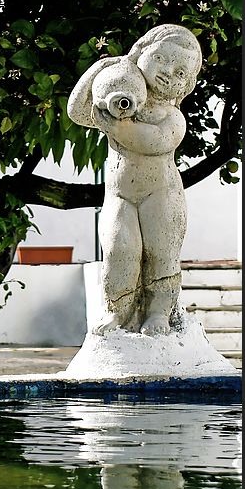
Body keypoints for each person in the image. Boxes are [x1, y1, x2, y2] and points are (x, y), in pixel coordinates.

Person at [67, 24, 202, 336]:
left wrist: (116, 127)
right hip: (120, 196)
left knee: (161, 252)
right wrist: (101, 69)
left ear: (186, 87)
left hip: (162, 195)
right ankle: (118, 310)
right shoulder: (123, 96)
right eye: (163, 60)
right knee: (119, 249)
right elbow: (77, 111)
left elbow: (154, 141)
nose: (170, 73)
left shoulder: (172, 116)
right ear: (141, 51)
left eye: (181, 72)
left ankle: (158, 313)